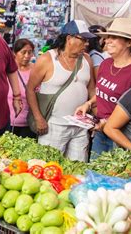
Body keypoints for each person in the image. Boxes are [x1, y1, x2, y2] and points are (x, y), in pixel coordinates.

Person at [76, 18, 131, 159]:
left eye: (114, 38)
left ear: (129, 43)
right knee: (94, 176)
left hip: (123, 138)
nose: (108, 41)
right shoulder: (106, 64)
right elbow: (101, 93)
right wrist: (88, 104)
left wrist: (108, 123)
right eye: (108, 37)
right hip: (101, 133)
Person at [27, 20, 95, 162]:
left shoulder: (87, 60)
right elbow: (30, 89)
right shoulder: (47, 59)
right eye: (83, 40)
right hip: (53, 126)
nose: (87, 44)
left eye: (88, 40)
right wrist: (39, 118)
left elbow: (92, 90)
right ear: (69, 38)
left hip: (80, 127)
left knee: (77, 170)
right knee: (49, 169)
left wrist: (93, 115)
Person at [8, 38, 36, 138]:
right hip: (9, 122)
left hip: (29, 122)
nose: (27, 56)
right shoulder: (7, 70)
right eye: (23, 52)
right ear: (15, 53)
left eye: (30, 52)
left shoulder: (36, 70)